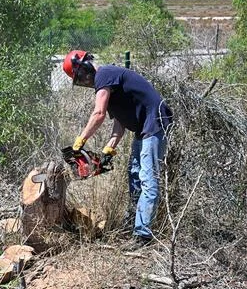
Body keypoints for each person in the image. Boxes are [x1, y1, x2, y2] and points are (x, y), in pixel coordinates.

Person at [62, 50, 173, 248]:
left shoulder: (104, 75)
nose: (83, 80)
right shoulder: (109, 86)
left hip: (155, 124)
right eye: (79, 79)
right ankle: (133, 223)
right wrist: (108, 149)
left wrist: (80, 141)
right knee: (134, 174)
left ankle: (143, 235)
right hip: (142, 129)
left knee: (148, 178)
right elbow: (119, 125)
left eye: (81, 75)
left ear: (86, 65)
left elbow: (98, 113)